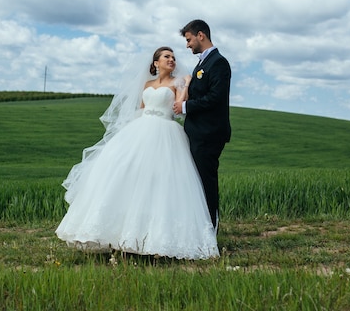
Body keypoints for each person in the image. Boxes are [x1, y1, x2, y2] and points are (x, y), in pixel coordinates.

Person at [56, 46, 219, 260]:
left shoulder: (178, 82)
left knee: (161, 183)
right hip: (141, 130)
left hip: (165, 132)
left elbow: (179, 107)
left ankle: (156, 237)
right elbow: (141, 109)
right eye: (166, 57)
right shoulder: (147, 84)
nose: (172, 60)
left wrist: (187, 84)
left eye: (173, 57)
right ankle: (117, 233)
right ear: (155, 63)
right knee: (124, 175)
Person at [173, 20, 231, 231]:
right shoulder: (202, 64)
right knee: (197, 182)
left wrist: (186, 106)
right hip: (198, 133)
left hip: (209, 134)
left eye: (188, 40)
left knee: (206, 183)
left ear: (200, 35)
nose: (187, 45)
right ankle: (200, 227)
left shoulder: (219, 63)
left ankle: (210, 229)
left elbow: (216, 97)